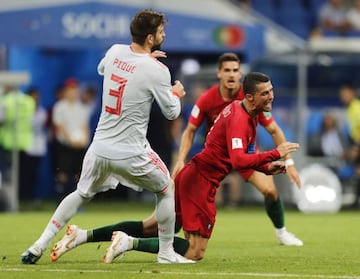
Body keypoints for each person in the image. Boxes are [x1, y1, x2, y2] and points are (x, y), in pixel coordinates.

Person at [49, 72, 300, 263]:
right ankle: (128, 242)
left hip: (194, 176)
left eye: (271, 91)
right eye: (265, 93)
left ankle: (82, 235)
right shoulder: (239, 119)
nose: (271, 96)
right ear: (250, 97)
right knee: (195, 251)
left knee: (150, 226)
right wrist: (274, 153)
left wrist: (269, 167)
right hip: (200, 182)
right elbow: (237, 161)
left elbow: (238, 157)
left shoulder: (242, 111)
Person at [21, 9, 191, 265]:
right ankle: (166, 254)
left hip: (99, 148)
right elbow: (171, 112)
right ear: (149, 38)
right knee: (167, 189)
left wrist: (142, 63)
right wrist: (175, 92)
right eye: (160, 32)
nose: (164, 34)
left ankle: (39, 244)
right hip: (132, 152)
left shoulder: (114, 51)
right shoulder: (158, 70)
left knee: (80, 193)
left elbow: (104, 70)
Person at [52, 78, 91, 201]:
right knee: (62, 172)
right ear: (66, 91)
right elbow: (60, 126)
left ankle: (77, 201)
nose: (73, 92)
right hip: (65, 144)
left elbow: (85, 126)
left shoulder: (82, 108)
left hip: (79, 145)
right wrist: (70, 140)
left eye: (75, 89)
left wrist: (84, 140)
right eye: (71, 89)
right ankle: (60, 199)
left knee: (79, 174)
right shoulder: (60, 107)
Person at [339, 84, 360, 208]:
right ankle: (356, 202)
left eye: (345, 94)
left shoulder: (356, 108)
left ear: (352, 93)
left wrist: (356, 148)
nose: (343, 97)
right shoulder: (350, 108)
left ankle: (356, 203)